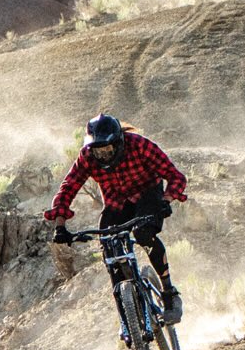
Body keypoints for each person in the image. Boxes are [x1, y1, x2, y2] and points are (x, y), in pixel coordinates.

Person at [44, 114, 187, 325]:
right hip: (117, 202)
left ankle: (169, 294)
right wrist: (60, 225)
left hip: (147, 194)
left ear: (119, 143)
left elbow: (175, 176)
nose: (103, 156)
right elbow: (68, 187)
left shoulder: (139, 145)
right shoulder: (87, 156)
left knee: (143, 233)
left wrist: (166, 200)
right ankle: (127, 316)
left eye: (107, 150)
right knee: (108, 247)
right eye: (98, 151)